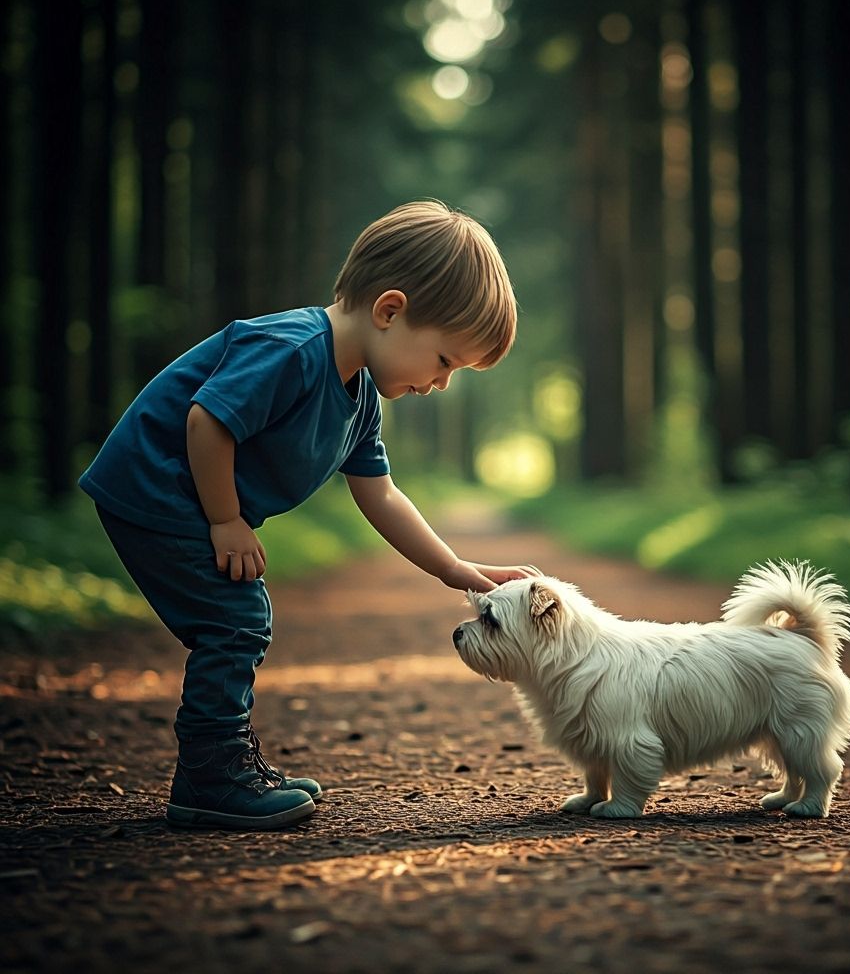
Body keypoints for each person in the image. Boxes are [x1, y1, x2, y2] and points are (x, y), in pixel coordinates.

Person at [79, 200, 540, 831]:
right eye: (444, 361)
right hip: (155, 490)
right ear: (390, 311)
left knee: (234, 618)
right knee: (236, 618)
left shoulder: (359, 396)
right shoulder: (292, 348)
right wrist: (225, 520)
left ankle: (223, 767)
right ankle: (213, 778)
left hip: (183, 502)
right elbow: (207, 420)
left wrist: (455, 569)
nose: (441, 384)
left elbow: (380, 495)